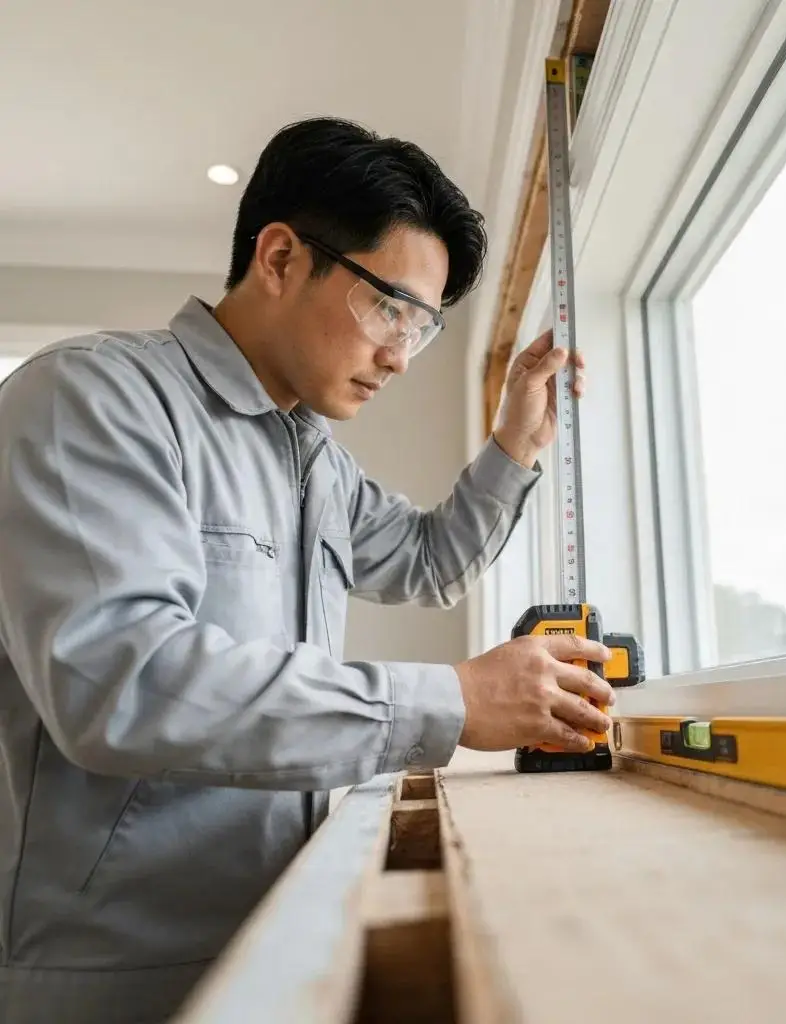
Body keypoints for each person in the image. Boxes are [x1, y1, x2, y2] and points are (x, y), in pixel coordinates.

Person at [0, 116, 615, 1024]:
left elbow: (427, 561)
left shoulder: (315, 460)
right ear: (280, 258)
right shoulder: (91, 401)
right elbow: (122, 682)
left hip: (288, 930)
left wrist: (517, 440)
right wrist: (453, 701)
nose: (402, 355)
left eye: (426, 327)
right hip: (117, 975)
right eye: (390, 307)